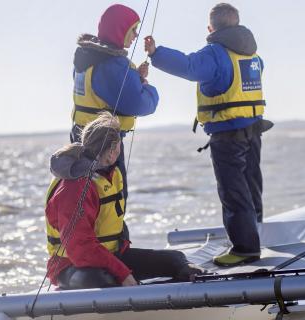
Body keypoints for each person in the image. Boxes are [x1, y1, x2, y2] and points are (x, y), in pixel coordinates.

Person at [144, 3, 272, 267]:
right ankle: (254, 232)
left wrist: (156, 54)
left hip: (228, 135)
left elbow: (190, 66)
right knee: (250, 184)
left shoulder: (215, 53)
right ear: (237, 24)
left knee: (233, 190)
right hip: (253, 131)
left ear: (210, 28)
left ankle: (246, 248)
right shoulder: (253, 54)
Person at [45, 112, 204, 289]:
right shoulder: (76, 186)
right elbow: (80, 248)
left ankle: (193, 279)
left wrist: (122, 266)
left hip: (107, 257)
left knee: (175, 259)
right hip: (71, 266)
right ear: (113, 150)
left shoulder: (110, 174)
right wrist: (122, 273)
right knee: (104, 280)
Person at [70, 4, 159, 203]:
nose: (136, 35)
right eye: (133, 30)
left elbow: (103, 90)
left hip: (79, 136)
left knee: (85, 196)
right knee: (110, 199)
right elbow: (140, 104)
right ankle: (112, 235)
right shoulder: (112, 65)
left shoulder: (86, 58)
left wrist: (135, 78)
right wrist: (149, 88)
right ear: (119, 31)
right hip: (104, 142)